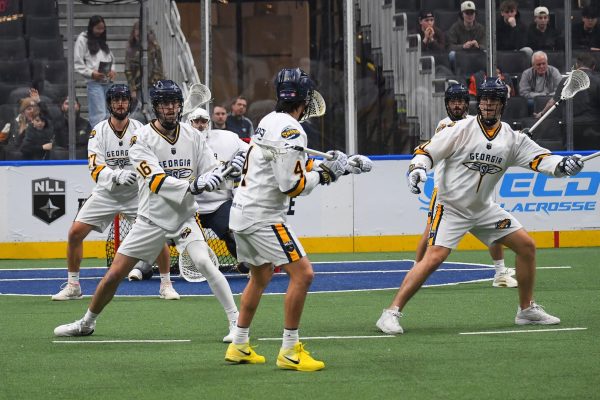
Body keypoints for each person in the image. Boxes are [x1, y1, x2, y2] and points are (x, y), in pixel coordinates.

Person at [376, 77, 585, 335]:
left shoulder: (512, 139)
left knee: (526, 247)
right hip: (451, 207)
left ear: (502, 104)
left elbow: (543, 160)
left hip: (484, 209)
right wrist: (418, 168)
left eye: (494, 100)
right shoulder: (460, 129)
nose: (488, 104)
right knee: (434, 257)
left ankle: (526, 309)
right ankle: (390, 313)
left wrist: (564, 166)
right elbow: (427, 151)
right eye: (484, 99)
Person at [54, 80, 244, 341]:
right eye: (164, 104)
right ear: (156, 107)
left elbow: (210, 171)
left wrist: (227, 172)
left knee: (205, 263)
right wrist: (195, 185)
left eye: (174, 103)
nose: (170, 108)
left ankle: (237, 324)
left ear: (180, 106)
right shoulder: (141, 138)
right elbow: (156, 181)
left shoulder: (194, 136)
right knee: (115, 274)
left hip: (184, 217)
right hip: (151, 218)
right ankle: (86, 323)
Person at [224, 68, 372, 371]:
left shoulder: (269, 120)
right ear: (304, 98)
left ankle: (239, 344)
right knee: (303, 275)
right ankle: (290, 350)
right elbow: (292, 185)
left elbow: (290, 162)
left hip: (241, 213)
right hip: (263, 216)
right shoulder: (292, 129)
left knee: (261, 276)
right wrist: (328, 173)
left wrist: (339, 164)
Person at [50, 84, 180, 302]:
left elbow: (152, 159)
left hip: (137, 194)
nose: (120, 104)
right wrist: (115, 175)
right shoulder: (98, 131)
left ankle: (166, 284)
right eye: (116, 100)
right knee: (75, 233)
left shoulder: (140, 129)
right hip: (107, 193)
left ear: (129, 103)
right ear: (109, 104)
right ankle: (73, 286)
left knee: (156, 236)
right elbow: (95, 167)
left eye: (124, 99)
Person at [414, 83, 517, 290]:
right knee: (430, 231)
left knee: (495, 231)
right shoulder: (445, 126)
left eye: (460, 101)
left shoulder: (476, 123)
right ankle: (416, 270)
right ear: (447, 104)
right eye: (453, 101)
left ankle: (500, 272)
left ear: (467, 104)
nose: (457, 105)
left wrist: (516, 139)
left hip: (475, 189)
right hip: (447, 192)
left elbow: (496, 138)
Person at [535, 54, 600, 149]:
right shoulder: (598, 81)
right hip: (593, 127)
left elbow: (552, 102)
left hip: (571, 127)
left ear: (577, 65)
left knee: (571, 156)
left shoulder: (566, 80)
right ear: (593, 67)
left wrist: (541, 113)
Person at [74, 15, 116, 127]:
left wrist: (112, 70)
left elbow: (111, 58)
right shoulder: (83, 39)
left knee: (110, 113)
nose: (100, 31)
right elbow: (78, 63)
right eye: (98, 28)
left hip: (107, 81)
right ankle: (98, 136)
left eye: (102, 29)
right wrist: (91, 73)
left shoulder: (102, 40)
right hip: (94, 82)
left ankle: (109, 135)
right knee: (99, 114)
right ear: (91, 27)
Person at [124, 20, 165, 112]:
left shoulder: (154, 47)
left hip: (153, 83)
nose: (138, 35)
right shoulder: (130, 49)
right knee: (139, 110)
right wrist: (132, 88)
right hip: (138, 85)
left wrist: (160, 82)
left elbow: (160, 66)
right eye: (136, 32)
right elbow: (127, 70)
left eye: (140, 33)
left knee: (153, 109)